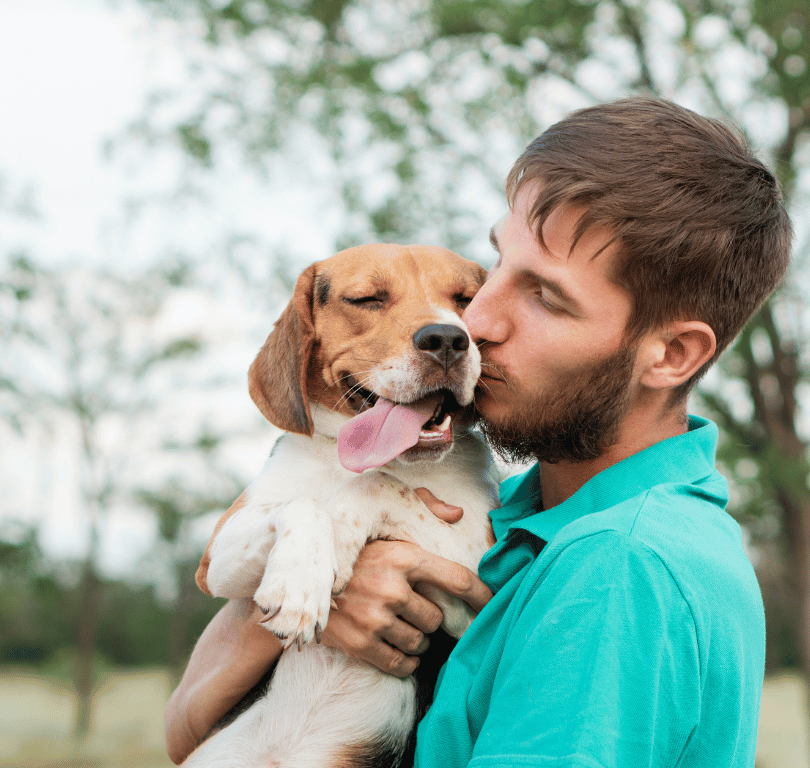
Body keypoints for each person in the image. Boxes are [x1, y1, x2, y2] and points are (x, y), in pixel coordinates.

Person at [165, 97, 792, 767]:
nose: (477, 322)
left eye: (544, 295)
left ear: (670, 356)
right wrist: (330, 589)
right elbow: (183, 732)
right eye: (494, 270)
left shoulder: (618, 567)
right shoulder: (532, 514)